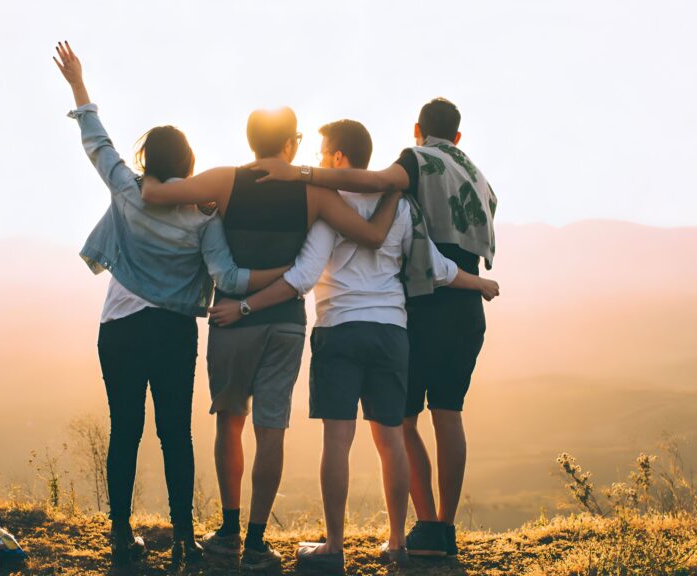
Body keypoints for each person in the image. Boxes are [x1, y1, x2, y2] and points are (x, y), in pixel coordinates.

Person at [210, 120, 499, 572]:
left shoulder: (330, 206)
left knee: (338, 441)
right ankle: (398, 542)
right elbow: (436, 266)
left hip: (340, 330)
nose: (321, 161)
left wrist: (244, 307)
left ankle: (335, 547)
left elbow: (302, 278)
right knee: (391, 440)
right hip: (392, 333)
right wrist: (478, 282)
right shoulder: (400, 206)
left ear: (340, 158)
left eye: (325, 153)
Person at [53, 42, 289, 573]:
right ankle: (183, 538)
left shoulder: (129, 191)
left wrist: (78, 84)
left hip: (119, 327)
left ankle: (120, 537)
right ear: (189, 163)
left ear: (146, 161)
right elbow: (226, 277)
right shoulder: (203, 215)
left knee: (125, 430)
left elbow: (97, 143)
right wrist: (287, 275)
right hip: (173, 332)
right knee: (175, 433)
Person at [140, 108, 402, 570]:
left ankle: (227, 530)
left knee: (229, 421)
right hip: (284, 322)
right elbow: (371, 235)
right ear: (289, 146)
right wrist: (395, 190)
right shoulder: (313, 193)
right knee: (271, 429)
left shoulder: (224, 181)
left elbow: (159, 193)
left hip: (231, 320)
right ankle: (258, 541)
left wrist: (145, 179)